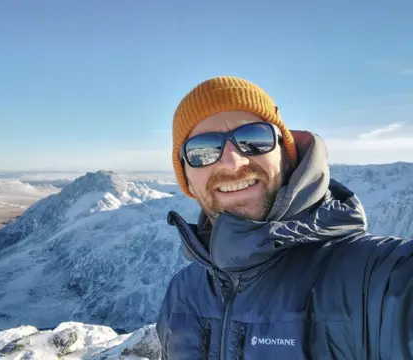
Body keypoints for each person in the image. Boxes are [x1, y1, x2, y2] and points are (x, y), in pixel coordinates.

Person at [155, 75, 413, 359]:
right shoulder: (181, 296)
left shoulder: (371, 279)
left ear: (286, 156)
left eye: (253, 138)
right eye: (202, 150)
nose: (233, 161)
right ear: (187, 180)